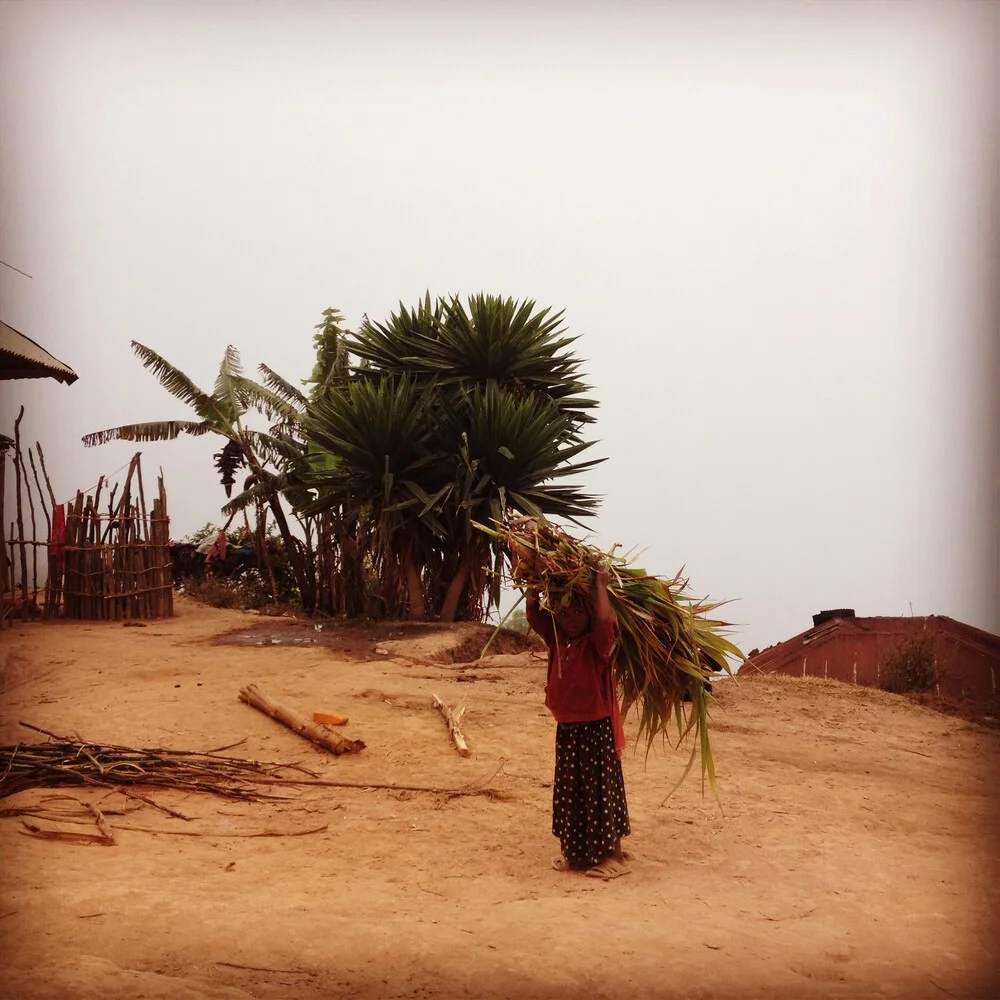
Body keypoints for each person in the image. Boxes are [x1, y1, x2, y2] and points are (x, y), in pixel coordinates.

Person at [523, 565, 632, 880]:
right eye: (564, 612)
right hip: (567, 728)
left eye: (576, 613)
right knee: (572, 791)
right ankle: (577, 854)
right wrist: (533, 587)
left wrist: (600, 585)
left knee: (601, 790)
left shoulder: (597, 645)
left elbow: (605, 621)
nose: (569, 619)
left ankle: (615, 855)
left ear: (587, 615)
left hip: (596, 728)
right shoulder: (556, 639)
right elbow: (534, 616)